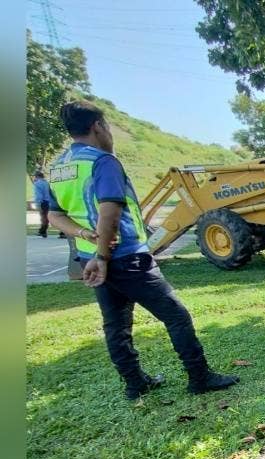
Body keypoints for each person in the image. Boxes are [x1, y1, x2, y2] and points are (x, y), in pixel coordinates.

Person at [45, 100, 240, 400]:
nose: (108, 134)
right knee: (176, 316)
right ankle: (200, 377)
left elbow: (54, 216)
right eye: (107, 127)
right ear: (98, 126)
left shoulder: (58, 168)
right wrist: (103, 254)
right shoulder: (102, 162)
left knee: (116, 325)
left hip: (91, 259)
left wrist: (87, 239)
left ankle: (135, 384)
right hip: (125, 257)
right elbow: (109, 209)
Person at [31, 170, 63, 238]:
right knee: (50, 217)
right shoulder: (47, 183)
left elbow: (38, 195)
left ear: (37, 176)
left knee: (44, 217)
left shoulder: (37, 183)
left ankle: (43, 231)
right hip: (49, 202)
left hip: (42, 202)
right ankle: (61, 232)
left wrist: (38, 203)